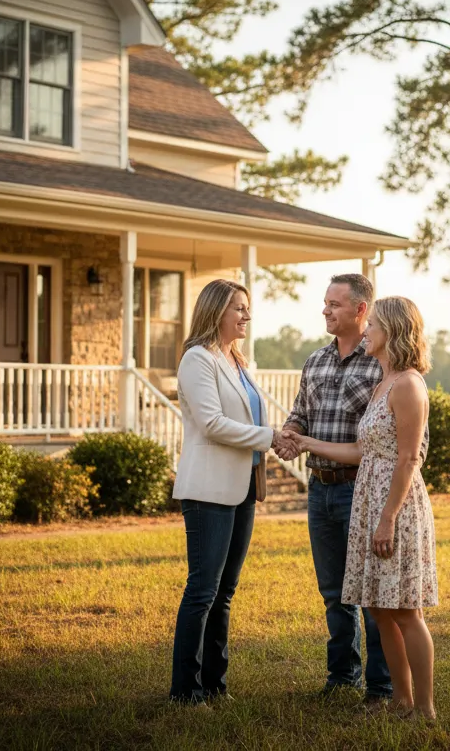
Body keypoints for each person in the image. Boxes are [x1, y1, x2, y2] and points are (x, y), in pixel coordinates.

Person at [288, 296, 438, 720]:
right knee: (380, 608)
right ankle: (401, 702)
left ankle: (424, 708)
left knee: (405, 610)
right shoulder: (383, 383)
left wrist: (387, 519)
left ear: (393, 331)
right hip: (369, 501)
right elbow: (361, 450)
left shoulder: (408, 385)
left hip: (395, 506)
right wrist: (306, 442)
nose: (366, 330)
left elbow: (408, 459)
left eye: (372, 324)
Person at [169, 278, 292, 705]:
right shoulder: (197, 359)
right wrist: (270, 437)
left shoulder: (236, 360)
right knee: (203, 591)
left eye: (247, 307)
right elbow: (212, 424)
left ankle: (215, 686)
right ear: (215, 311)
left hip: (242, 489)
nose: (247, 315)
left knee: (224, 593)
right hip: (208, 490)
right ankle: (185, 691)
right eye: (239, 308)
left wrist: (279, 434)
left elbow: (248, 417)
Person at [273, 273, 393, 706]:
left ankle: (381, 686)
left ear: (361, 310)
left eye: (334, 304)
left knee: (371, 593)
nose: (325, 310)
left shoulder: (379, 362)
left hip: (360, 490)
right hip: (319, 491)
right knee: (334, 593)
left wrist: (303, 439)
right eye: (325, 303)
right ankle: (342, 677)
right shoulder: (315, 360)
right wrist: (290, 434)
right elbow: (300, 413)